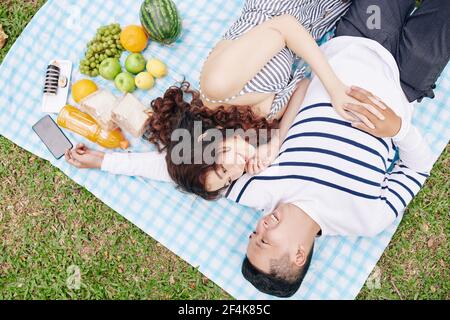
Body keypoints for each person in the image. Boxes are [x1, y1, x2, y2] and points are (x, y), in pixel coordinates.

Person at [66, 0, 363, 200]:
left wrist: (335, 88)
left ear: (207, 140)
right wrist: (275, 143)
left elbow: (285, 26)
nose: (236, 172)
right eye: (229, 180)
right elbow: (302, 85)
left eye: (223, 169)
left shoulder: (217, 87)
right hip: (325, 13)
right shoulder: (253, 128)